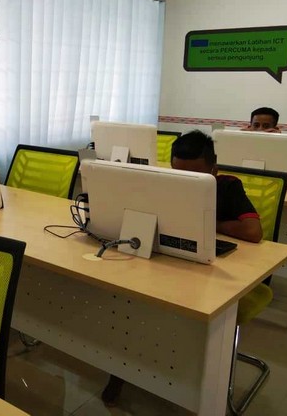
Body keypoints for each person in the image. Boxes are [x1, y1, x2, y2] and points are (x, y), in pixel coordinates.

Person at [101, 130, 262, 406]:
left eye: (195, 177)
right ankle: (123, 365)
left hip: (214, 272)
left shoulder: (228, 186)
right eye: (180, 174)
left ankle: (196, 376)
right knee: (129, 297)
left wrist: (207, 223)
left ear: (214, 171)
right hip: (169, 261)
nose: (185, 182)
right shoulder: (163, 182)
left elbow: (253, 231)